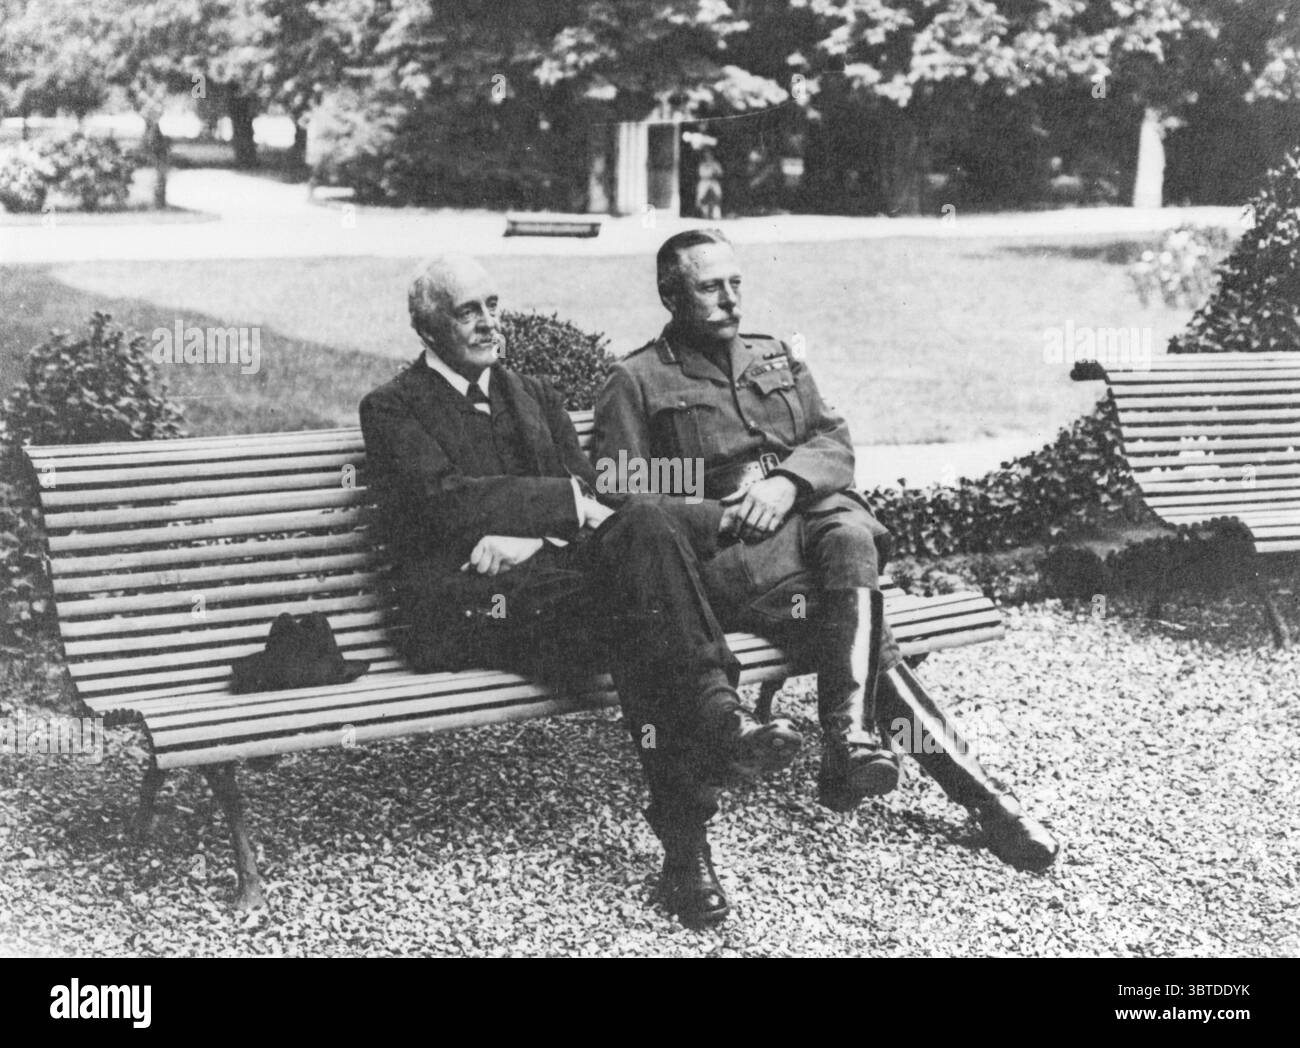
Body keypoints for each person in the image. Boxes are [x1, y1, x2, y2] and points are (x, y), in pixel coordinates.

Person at [592, 228, 1061, 896]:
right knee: (866, 631)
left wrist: (787, 483)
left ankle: (848, 737)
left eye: (736, 283)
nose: (729, 300)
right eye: (709, 287)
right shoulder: (639, 377)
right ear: (671, 294)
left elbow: (833, 440)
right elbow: (620, 485)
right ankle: (973, 795)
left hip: (805, 524)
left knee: (848, 532)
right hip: (733, 555)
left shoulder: (773, 354)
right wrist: (721, 509)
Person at [360, 255, 803, 929]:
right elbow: (443, 505)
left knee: (644, 562)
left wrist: (535, 538)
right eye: (467, 310)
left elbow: (595, 502)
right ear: (426, 327)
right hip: (466, 609)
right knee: (645, 601)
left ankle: (690, 835)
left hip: (553, 593)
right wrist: (561, 509)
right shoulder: (393, 409)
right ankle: (716, 723)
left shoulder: (530, 392)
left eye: (493, 303)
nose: (488, 321)